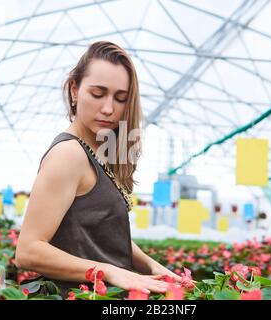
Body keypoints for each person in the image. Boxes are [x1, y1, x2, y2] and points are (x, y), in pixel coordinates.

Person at [15, 41, 181, 297]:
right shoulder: (69, 154)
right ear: (74, 89)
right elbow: (28, 251)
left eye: (120, 98)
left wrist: (149, 264)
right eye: (97, 93)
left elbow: (100, 232)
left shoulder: (98, 153)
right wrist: (109, 271)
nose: (108, 108)